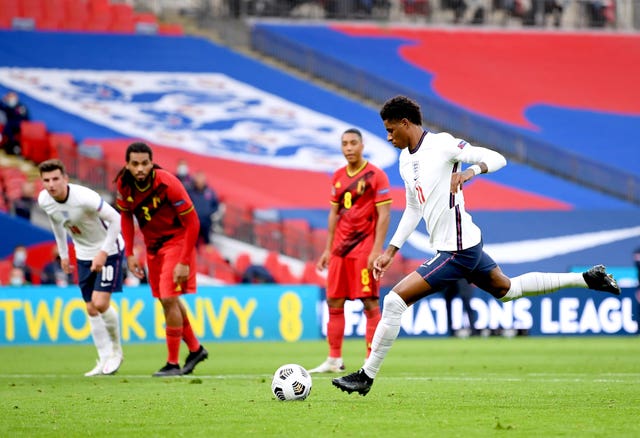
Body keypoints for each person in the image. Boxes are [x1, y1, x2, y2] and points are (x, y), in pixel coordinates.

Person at [332, 95, 621, 396]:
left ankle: (366, 376)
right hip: (463, 243)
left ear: (406, 123)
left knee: (393, 302)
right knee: (507, 290)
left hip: (457, 250)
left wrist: (470, 172)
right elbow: (414, 208)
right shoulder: (406, 160)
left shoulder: (442, 145)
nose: (388, 137)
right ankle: (587, 278)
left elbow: (498, 158)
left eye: (391, 130)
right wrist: (391, 249)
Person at [114, 142, 208, 377]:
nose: (140, 169)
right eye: (134, 164)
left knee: (168, 298)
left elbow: (193, 222)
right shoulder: (124, 184)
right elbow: (125, 216)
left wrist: (184, 260)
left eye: (144, 163)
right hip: (152, 248)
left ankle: (173, 363)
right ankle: (195, 349)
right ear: (127, 164)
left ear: (151, 163)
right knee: (168, 301)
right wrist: (130, 253)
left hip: (176, 242)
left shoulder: (168, 183)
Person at [309, 128, 392, 374]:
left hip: (365, 247)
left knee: (369, 301)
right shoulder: (337, 177)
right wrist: (327, 249)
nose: (349, 148)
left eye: (353, 143)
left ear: (362, 145)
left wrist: (376, 250)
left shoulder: (376, 176)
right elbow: (334, 214)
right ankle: (334, 359)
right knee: (334, 301)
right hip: (340, 251)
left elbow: (384, 214)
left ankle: (370, 360)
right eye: (344, 143)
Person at [37, 159, 124, 376]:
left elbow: (116, 219)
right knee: (91, 308)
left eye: (55, 178)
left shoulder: (85, 198)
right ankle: (103, 358)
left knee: (100, 303)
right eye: (46, 180)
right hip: (83, 253)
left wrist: (104, 252)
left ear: (65, 178)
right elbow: (56, 223)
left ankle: (116, 352)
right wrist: (64, 254)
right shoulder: (44, 200)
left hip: (109, 249)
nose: (51, 184)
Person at [187, 171, 220, 247]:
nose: (200, 182)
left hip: (206, 223)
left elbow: (216, 205)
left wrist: (210, 213)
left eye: (202, 179)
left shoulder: (210, 192)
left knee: (206, 244)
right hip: (193, 223)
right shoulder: (190, 191)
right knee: (193, 244)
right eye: (198, 179)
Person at [0, 91, 29, 156]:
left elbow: (23, 118)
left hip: (21, 125)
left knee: (9, 125)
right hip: (11, 125)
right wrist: (3, 101)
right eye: (8, 97)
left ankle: (12, 144)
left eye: (11, 97)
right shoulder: (7, 107)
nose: (9, 99)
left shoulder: (21, 107)